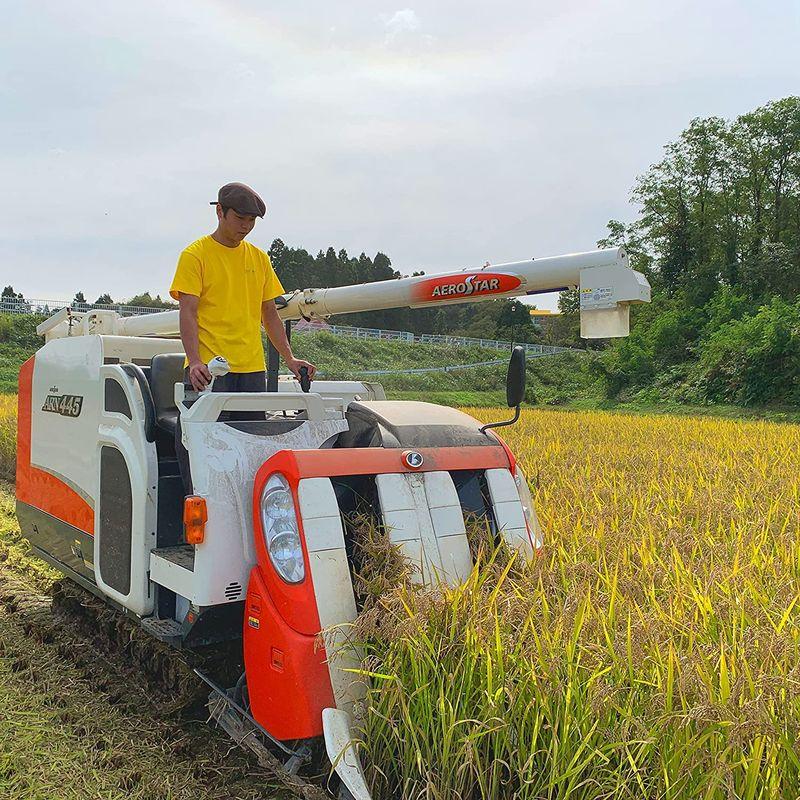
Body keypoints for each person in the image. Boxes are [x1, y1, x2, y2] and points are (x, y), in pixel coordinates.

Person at [169, 181, 316, 491]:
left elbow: (270, 315)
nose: (246, 227)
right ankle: (197, 525)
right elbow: (188, 312)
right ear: (220, 212)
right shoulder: (195, 255)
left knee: (251, 451)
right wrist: (194, 361)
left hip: (251, 371)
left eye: (251, 221)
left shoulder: (258, 258)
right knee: (204, 452)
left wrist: (289, 358)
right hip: (208, 372)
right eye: (240, 219)